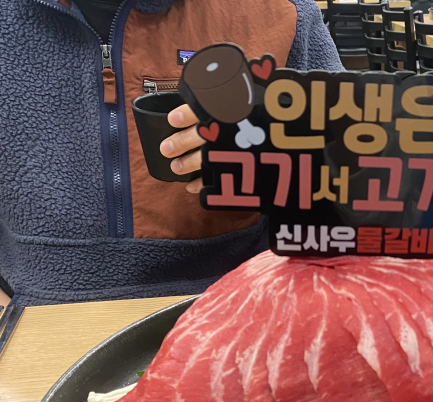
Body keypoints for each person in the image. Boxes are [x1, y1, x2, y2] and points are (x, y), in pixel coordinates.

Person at [0, 0, 342, 306]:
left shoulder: (282, 12)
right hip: (29, 314)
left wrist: (293, 169)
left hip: (243, 300)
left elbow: (354, 191)